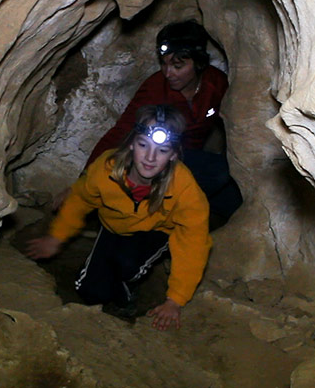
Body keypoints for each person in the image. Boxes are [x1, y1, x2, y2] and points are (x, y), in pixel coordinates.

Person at [27, 105, 211, 331]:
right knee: (89, 291)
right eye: (144, 145)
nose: (150, 158)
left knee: (127, 264)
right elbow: (80, 200)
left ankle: (128, 296)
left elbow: (193, 243)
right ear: (132, 143)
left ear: (173, 155)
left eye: (162, 150)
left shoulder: (185, 190)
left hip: (155, 232)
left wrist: (175, 300)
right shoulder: (107, 169)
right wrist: (56, 237)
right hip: (112, 228)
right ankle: (115, 290)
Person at [61, 20, 242, 222]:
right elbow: (121, 130)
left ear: (199, 63)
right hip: (158, 162)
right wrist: (83, 181)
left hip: (190, 161)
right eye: (164, 64)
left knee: (234, 193)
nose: (168, 73)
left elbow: (238, 124)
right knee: (217, 173)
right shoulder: (156, 89)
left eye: (177, 65)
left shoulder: (216, 84)